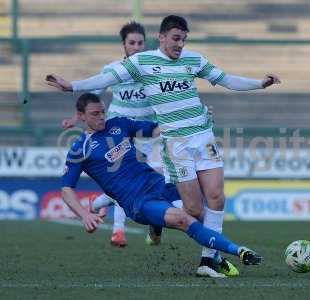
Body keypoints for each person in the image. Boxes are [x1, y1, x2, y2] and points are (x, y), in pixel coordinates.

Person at [46, 15, 280, 278]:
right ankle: (154, 224)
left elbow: (226, 79)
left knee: (216, 196)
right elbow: (105, 79)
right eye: (176, 39)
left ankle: (209, 260)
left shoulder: (193, 59)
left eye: (184, 39)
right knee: (192, 209)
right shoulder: (142, 63)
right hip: (176, 143)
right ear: (162, 37)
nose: (180, 44)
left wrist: (259, 84)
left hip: (203, 136)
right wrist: (72, 86)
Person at [62, 93, 262, 278]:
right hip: (138, 202)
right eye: (94, 114)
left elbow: (157, 128)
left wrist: (194, 118)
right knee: (184, 220)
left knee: (203, 210)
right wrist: (84, 215)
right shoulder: (80, 149)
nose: (101, 117)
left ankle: (211, 259)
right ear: (80, 116)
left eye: (103, 112)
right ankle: (239, 251)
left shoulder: (119, 124)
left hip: (158, 184)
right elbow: (66, 189)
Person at [62, 21, 162, 248]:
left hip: (143, 131)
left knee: (138, 178)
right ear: (124, 45)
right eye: (131, 43)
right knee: (123, 180)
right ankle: (118, 231)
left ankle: (97, 204)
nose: (136, 47)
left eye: (140, 43)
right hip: (116, 131)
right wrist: (75, 118)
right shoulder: (113, 70)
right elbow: (91, 94)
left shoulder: (151, 71)